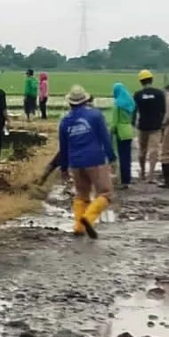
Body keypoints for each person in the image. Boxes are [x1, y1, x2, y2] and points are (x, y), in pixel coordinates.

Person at [57, 85, 116, 239]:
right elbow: (105, 138)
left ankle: (78, 227)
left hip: (75, 163)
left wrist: (63, 169)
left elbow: (63, 148)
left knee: (82, 195)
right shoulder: (96, 116)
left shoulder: (65, 121)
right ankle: (88, 218)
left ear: (70, 102)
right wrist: (112, 157)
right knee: (105, 193)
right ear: (86, 100)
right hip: (94, 159)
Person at [132, 70, 166, 182]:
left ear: (141, 81)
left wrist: (133, 122)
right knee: (154, 150)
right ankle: (150, 175)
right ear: (151, 79)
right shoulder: (159, 93)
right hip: (156, 126)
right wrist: (162, 123)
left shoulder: (137, 95)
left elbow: (134, 110)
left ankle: (142, 173)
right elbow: (164, 110)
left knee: (142, 150)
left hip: (142, 125)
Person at [108, 83, 136, 188]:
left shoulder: (118, 104)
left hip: (120, 131)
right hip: (128, 130)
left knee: (121, 157)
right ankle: (127, 179)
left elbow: (115, 120)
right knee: (127, 157)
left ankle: (123, 181)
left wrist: (111, 130)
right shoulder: (130, 102)